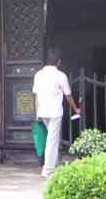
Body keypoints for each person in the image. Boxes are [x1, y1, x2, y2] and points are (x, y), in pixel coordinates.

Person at [32, 48, 81, 177]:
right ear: (58, 62)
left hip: (42, 111)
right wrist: (76, 109)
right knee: (52, 141)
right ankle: (48, 170)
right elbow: (68, 95)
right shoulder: (61, 76)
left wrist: (37, 113)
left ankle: (54, 164)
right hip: (54, 113)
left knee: (51, 139)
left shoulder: (38, 75)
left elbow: (35, 96)